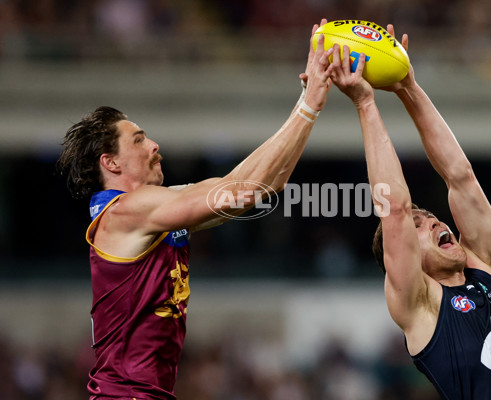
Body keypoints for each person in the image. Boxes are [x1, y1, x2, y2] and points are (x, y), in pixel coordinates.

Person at [56, 21, 334, 400]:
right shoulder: (126, 212)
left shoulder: (153, 210)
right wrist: (310, 103)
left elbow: (260, 186)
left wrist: (308, 100)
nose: (154, 145)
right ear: (112, 163)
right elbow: (242, 192)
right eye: (138, 140)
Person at [330, 26, 491, 399]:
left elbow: (460, 177)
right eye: (419, 226)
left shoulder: (489, 268)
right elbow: (394, 210)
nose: (436, 221)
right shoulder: (420, 307)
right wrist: (365, 103)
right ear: (409, 259)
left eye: (430, 217)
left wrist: (409, 88)